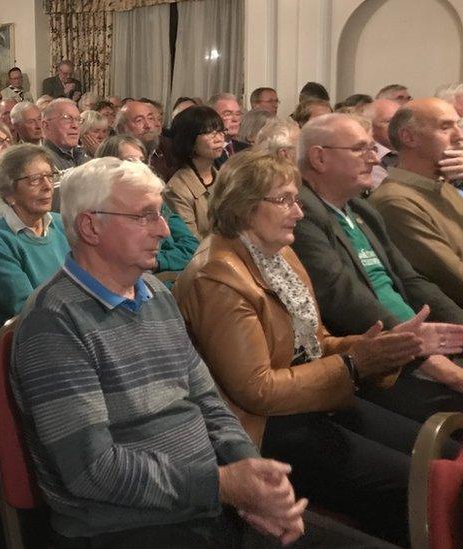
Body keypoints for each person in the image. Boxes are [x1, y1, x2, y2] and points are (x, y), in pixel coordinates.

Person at [13, 156, 329, 548]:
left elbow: (207, 400)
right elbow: (93, 470)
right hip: (127, 526)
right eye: (144, 216)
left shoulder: (155, 292)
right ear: (90, 226)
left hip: (201, 500)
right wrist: (223, 486)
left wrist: (253, 469)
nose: (163, 230)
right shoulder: (54, 322)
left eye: (160, 214)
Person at [172, 150, 437, 546]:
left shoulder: (279, 253)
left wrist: (379, 347)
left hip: (313, 399)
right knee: (416, 484)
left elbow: (314, 344)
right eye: (283, 200)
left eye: (297, 199)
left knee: (438, 460)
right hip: (263, 428)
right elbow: (256, 389)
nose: (298, 212)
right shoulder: (218, 275)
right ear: (243, 206)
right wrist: (352, 363)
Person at [292, 113, 463, 423]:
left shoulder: (360, 209)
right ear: (319, 157)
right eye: (360, 149)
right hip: (384, 362)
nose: (373, 159)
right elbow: (342, 297)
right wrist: (424, 356)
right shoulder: (301, 213)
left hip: (423, 344)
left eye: (372, 148)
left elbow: (411, 281)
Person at [371, 98, 463, 308]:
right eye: (445, 127)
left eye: (458, 125)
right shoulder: (395, 201)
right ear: (409, 137)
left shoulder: (444, 186)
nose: (459, 136)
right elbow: (454, 278)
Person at [0, 144, 68, 326]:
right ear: (9, 192)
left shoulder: (62, 223)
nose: (48, 186)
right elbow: (24, 307)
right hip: (38, 332)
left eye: (50, 176)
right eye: (35, 179)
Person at [97, 134, 199, 282]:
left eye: (142, 160)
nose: (140, 167)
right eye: (130, 160)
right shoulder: (108, 209)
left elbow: (192, 246)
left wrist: (158, 262)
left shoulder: (158, 202)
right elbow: (131, 257)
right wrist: (170, 260)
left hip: (174, 280)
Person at [164, 105, 226, 239]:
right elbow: (190, 241)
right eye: (210, 133)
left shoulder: (226, 177)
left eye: (221, 131)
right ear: (189, 139)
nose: (219, 139)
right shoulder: (177, 189)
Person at [116, 99, 179, 180]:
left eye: (150, 118)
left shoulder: (166, 148)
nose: (148, 125)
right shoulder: (115, 157)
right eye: (139, 120)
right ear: (122, 129)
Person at [41, 98, 88, 173]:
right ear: (46, 126)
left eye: (78, 119)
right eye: (67, 118)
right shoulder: (41, 161)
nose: (75, 125)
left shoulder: (83, 155)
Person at [208, 93, 250, 167]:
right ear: (212, 117)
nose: (235, 119)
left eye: (238, 114)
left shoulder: (247, 150)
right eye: (228, 114)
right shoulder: (206, 153)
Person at [370, 98, 401, 188]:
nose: (399, 127)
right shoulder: (368, 158)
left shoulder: (412, 153)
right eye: (390, 122)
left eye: (401, 121)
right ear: (371, 126)